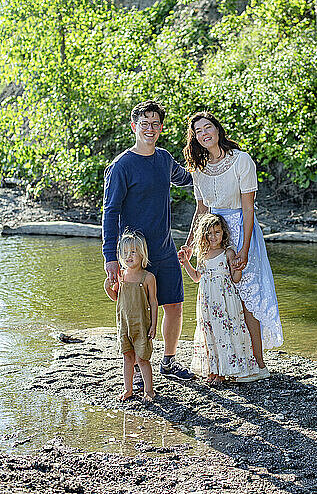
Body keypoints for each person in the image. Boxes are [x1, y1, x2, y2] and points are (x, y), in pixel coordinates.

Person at [180, 112, 283, 382]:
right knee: (221, 300)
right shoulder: (198, 169)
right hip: (212, 235)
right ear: (195, 138)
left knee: (248, 299)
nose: (204, 133)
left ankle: (259, 364)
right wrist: (191, 245)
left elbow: (249, 208)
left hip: (240, 231)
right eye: (198, 131)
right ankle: (231, 363)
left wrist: (245, 249)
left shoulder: (241, 160)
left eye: (208, 127)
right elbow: (201, 209)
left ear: (217, 130)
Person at [102, 100, 194, 389]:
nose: (150, 129)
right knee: (137, 311)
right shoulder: (121, 166)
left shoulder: (165, 159)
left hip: (165, 247)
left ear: (161, 127)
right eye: (145, 124)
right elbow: (110, 211)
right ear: (134, 127)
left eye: (155, 124)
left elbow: (190, 179)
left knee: (175, 305)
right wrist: (110, 256)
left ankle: (168, 360)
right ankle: (141, 369)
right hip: (133, 253)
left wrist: (219, 166)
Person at [179, 213, 258, 385]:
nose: (213, 236)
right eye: (210, 233)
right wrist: (186, 263)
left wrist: (239, 268)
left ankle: (224, 371)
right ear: (204, 235)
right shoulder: (203, 253)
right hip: (207, 300)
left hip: (224, 299)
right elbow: (196, 277)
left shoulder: (227, 252)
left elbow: (235, 278)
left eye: (217, 232)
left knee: (224, 331)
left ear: (223, 233)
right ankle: (213, 369)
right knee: (210, 333)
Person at [104, 231, 158, 401]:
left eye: (133, 252)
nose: (129, 256)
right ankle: (128, 389)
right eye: (125, 252)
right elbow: (116, 298)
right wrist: (107, 287)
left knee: (142, 359)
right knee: (127, 357)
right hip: (124, 324)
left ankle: (149, 390)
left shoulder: (148, 277)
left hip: (142, 325)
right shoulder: (121, 276)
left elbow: (154, 302)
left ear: (142, 254)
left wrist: (154, 325)